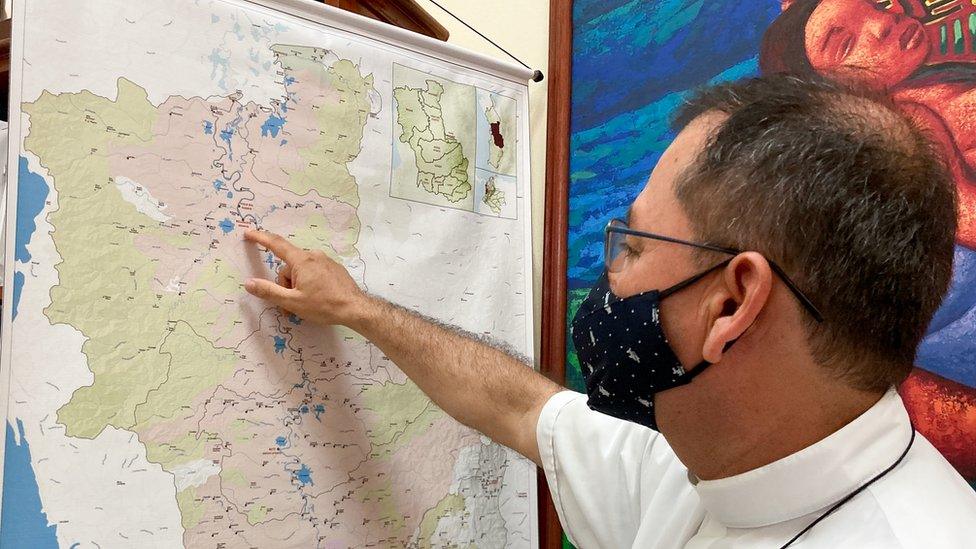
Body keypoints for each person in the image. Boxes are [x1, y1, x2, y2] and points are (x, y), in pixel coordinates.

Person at [242, 75, 976, 547]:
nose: (610, 271)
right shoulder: (709, 454)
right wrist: (357, 308)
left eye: (631, 242)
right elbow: (516, 405)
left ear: (731, 302)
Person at [761, 0, 976, 489]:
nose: (886, 20)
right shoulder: (908, 133)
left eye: (876, 6)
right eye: (846, 42)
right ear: (828, 92)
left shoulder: (930, 88)